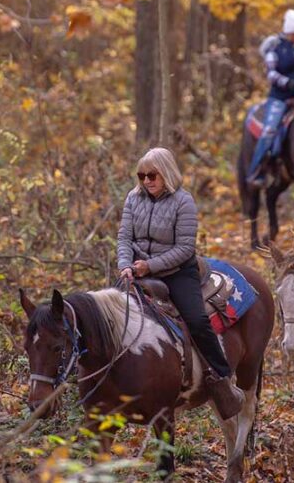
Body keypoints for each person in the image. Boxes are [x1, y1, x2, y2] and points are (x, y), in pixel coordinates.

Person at [117, 147, 245, 419]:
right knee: (109, 316)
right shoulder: (133, 198)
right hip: (137, 270)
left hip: (176, 272)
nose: (146, 181)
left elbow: (185, 248)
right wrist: (125, 265)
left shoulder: (183, 201)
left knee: (197, 320)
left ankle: (222, 378)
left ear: (166, 173)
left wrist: (150, 265)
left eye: (152, 175)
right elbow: (124, 238)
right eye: (141, 176)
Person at [246, 8, 294, 188]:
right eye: (293, 34)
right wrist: (288, 83)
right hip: (280, 97)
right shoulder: (275, 47)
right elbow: (271, 73)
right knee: (269, 130)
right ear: (286, 32)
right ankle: (256, 170)